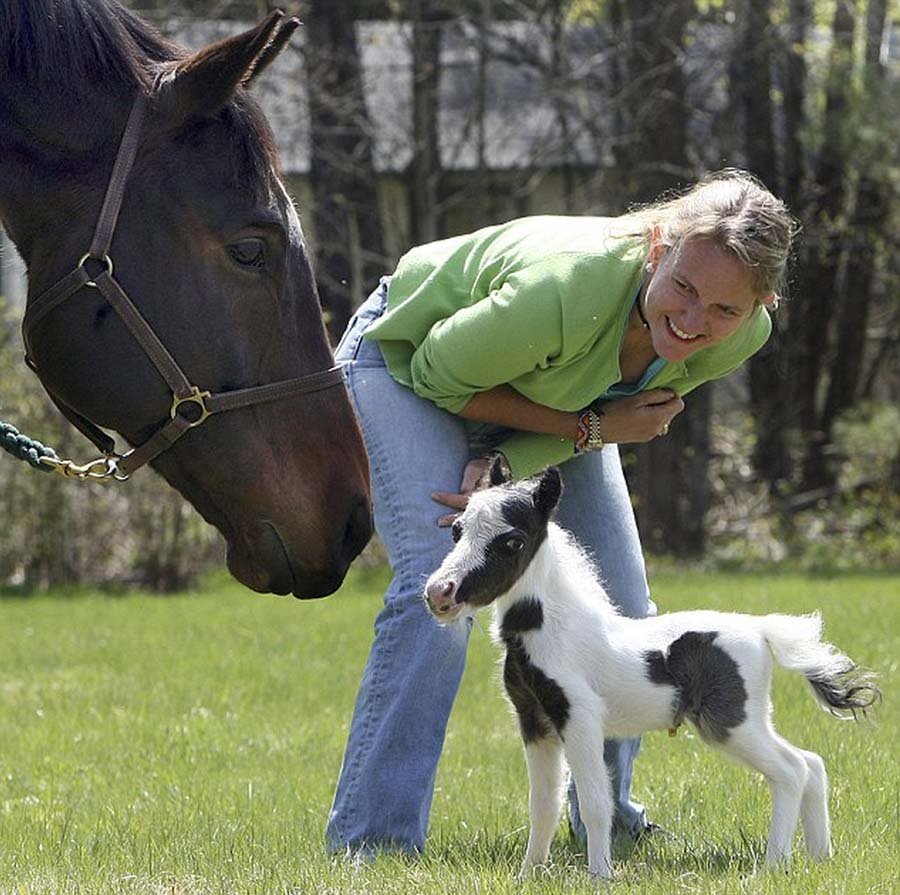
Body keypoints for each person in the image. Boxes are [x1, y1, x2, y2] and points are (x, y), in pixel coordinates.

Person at [325, 169, 797, 856]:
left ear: (761, 303)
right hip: (405, 363)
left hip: (556, 395)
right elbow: (435, 372)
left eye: (725, 310)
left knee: (626, 605)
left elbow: (606, 414)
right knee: (440, 591)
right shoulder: (566, 290)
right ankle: (375, 842)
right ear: (659, 247)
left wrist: (526, 452)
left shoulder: (743, 336)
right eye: (685, 288)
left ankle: (607, 823)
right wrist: (589, 430)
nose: (695, 321)